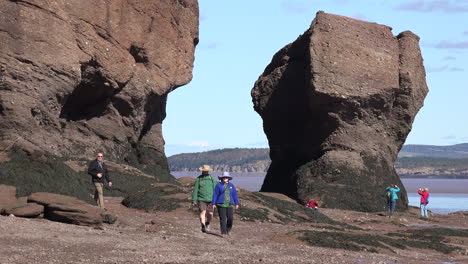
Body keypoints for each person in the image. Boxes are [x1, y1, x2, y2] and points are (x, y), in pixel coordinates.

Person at [212, 172, 239, 237]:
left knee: (230, 218)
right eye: (224, 177)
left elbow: (234, 195)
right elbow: (215, 194)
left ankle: (228, 230)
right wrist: (213, 203)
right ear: (221, 178)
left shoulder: (231, 185)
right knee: (223, 219)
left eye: (226, 177)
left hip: (230, 204)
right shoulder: (218, 185)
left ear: (228, 178)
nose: (225, 178)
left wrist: (237, 203)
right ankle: (223, 233)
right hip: (221, 204)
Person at [192, 165, 217, 233]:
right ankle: (203, 226)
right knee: (202, 212)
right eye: (204, 171)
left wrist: (216, 200)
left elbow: (216, 190)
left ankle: (207, 223)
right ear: (202, 171)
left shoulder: (212, 179)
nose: (205, 172)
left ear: (208, 171)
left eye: (206, 171)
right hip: (201, 199)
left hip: (211, 200)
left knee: (210, 213)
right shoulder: (198, 179)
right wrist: (194, 200)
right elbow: (195, 190)